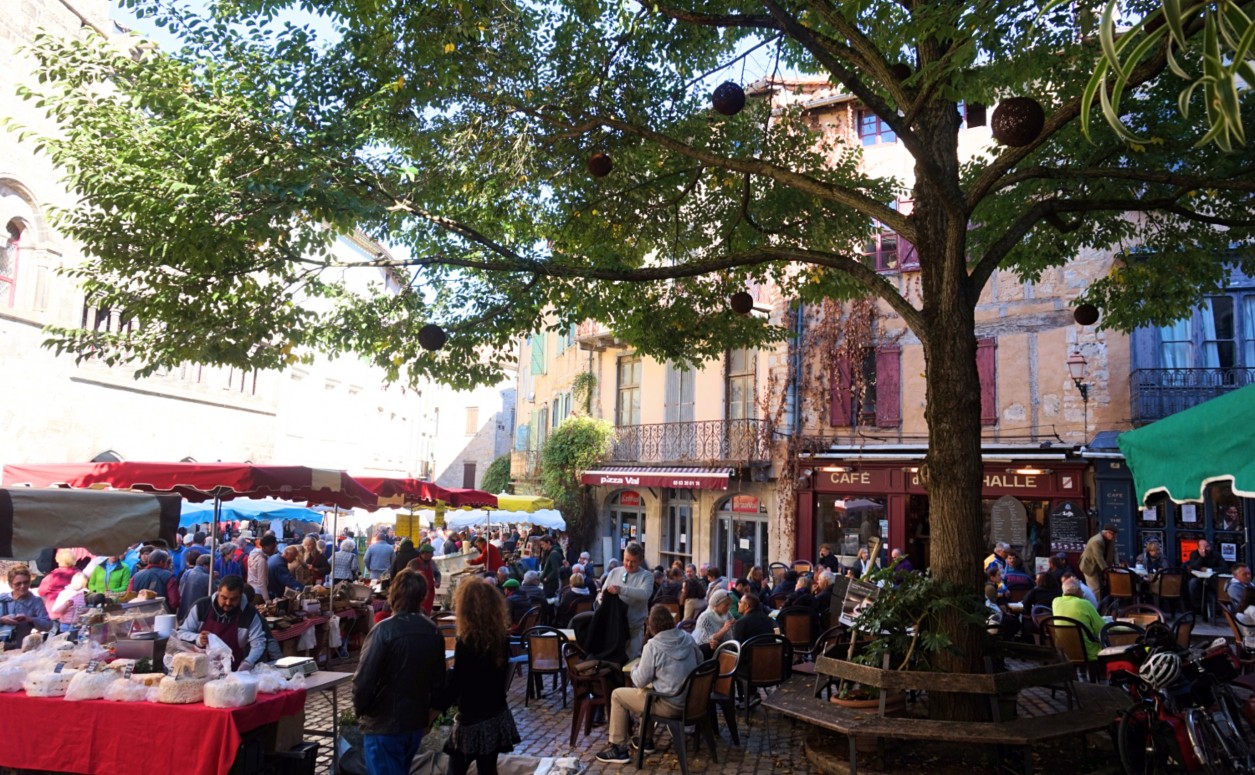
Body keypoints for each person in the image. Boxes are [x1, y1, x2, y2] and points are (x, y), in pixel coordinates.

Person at [353, 569, 446, 775]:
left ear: (394, 594)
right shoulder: (432, 630)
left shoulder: (383, 630)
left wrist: (361, 710)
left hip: (384, 724)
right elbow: (439, 681)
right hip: (413, 722)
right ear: (421, 596)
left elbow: (363, 681)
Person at [596, 604, 701, 764]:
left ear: (651, 625)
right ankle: (645, 739)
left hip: (670, 705)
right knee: (649, 690)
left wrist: (635, 669)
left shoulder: (653, 646)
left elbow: (639, 681)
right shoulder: (688, 638)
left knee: (618, 695)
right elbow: (700, 661)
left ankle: (618, 748)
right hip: (692, 702)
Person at [437, 579, 521, 775]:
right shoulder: (501, 638)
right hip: (495, 712)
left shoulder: (466, 642)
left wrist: (438, 705)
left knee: (455, 770)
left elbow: (459, 681)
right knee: (488, 769)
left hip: (471, 716)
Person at [177, 574, 267, 671]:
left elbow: (258, 643)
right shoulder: (201, 607)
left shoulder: (249, 613)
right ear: (218, 591)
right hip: (200, 669)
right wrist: (198, 638)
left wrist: (248, 662)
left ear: (241, 596)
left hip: (234, 670)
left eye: (233, 599)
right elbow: (181, 633)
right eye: (224, 597)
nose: (228, 603)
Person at [603, 543, 654, 659]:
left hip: (634, 628)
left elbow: (645, 594)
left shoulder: (647, 576)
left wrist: (621, 590)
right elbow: (603, 592)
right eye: (626, 560)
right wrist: (601, 598)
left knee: (631, 659)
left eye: (633, 561)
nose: (629, 564)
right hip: (614, 627)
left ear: (640, 561)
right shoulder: (614, 572)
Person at [1052, 577, 1105, 660]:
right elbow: (1101, 628)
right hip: (1089, 654)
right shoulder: (1084, 603)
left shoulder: (1055, 602)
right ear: (1078, 591)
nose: (1083, 592)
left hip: (1064, 654)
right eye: (1081, 589)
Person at [1, 565, 53, 649]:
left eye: (26, 582)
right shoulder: (2, 599)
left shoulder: (35, 601)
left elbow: (48, 625)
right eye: (18, 584)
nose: (22, 586)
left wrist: (30, 619)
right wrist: (2, 620)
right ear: (11, 585)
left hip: (19, 647)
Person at [1186, 539, 1227, 613]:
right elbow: (1193, 566)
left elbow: (1224, 567)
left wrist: (1209, 569)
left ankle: (1217, 609)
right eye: (1203, 547)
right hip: (1197, 578)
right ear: (1198, 548)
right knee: (1192, 583)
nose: (1206, 549)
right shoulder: (1194, 554)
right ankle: (1196, 607)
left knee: (1218, 584)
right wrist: (1202, 557)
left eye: (1207, 546)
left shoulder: (1216, 555)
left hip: (1212, 578)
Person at [693, 589, 735, 658]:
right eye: (726, 605)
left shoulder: (727, 614)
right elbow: (706, 641)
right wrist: (723, 630)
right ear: (716, 605)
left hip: (723, 649)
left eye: (729, 605)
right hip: (708, 653)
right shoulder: (705, 617)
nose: (728, 607)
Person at [1080, 523, 1119, 597]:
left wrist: (1117, 564)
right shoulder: (1097, 541)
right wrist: (1106, 571)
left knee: (1101, 587)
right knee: (1095, 589)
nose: (1114, 536)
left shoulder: (1111, 539)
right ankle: (1095, 604)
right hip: (1090, 567)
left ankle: (1100, 602)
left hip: (1098, 566)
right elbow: (1099, 558)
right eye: (1113, 534)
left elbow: (1114, 551)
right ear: (1107, 533)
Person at [406, 544, 440, 615]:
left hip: (429, 593)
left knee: (427, 612)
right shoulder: (413, 563)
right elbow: (406, 576)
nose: (432, 555)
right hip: (417, 593)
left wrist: (438, 581)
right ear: (424, 553)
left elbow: (437, 574)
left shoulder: (432, 562)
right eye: (431, 553)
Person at [177, 554, 212, 620]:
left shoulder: (186, 573)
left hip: (182, 611)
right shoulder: (207, 578)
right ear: (206, 566)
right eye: (212, 566)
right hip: (197, 613)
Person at [248, 534, 277, 602]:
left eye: (274, 548)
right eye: (272, 548)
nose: (273, 550)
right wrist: (267, 599)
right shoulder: (261, 560)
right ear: (264, 547)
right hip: (259, 593)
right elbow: (261, 582)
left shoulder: (252, 555)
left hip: (251, 590)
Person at [539, 535, 563, 604]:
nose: (542, 546)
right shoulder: (549, 552)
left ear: (548, 543)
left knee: (549, 603)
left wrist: (546, 578)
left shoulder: (553, 554)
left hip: (551, 583)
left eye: (543, 544)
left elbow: (555, 569)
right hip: (549, 582)